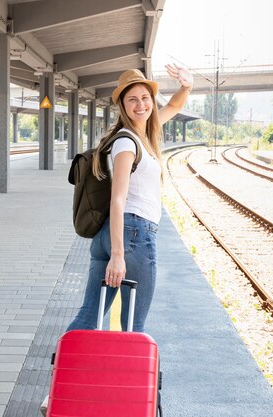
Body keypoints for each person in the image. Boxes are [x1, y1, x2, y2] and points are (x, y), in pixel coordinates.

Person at [66, 64, 193, 332]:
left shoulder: (143, 135)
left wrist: (186, 86)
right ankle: (128, 374)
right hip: (132, 234)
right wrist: (118, 256)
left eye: (145, 98)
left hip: (113, 235)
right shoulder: (126, 143)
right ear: (123, 105)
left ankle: (63, 370)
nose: (141, 105)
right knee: (133, 324)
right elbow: (117, 199)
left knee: (90, 314)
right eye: (132, 99)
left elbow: (172, 107)